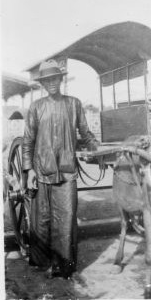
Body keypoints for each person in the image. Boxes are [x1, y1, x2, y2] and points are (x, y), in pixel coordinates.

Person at [22, 59, 99, 280]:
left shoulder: (74, 104)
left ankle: (64, 266)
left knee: (66, 219)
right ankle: (41, 261)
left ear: (61, 80)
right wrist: (30, 171)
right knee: (42, 218)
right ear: (43, 84)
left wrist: (97, 149)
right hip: (42, 170)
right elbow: (28, 141)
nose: (52, 83)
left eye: (55, 78)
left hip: (66, 172)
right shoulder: (36, 107)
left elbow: (86, 132)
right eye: (48, 80)